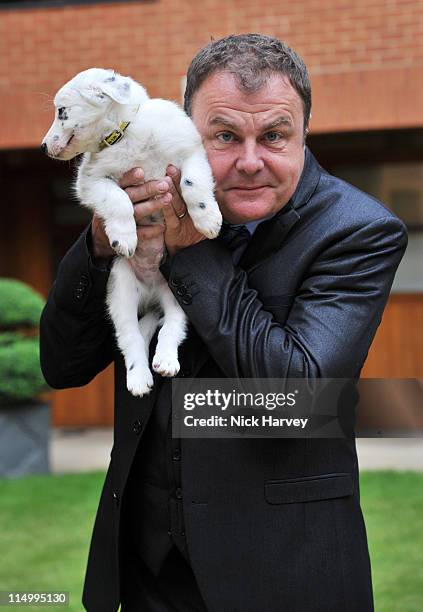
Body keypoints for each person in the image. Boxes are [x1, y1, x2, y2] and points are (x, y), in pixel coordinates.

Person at [40, 34, 407, 611]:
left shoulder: (359, 231)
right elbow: (60, 366)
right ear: (187, 131)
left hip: (284, 572)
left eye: (275, 136)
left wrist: (189, 251)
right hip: (146, 574)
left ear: (305, 132)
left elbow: (298, 399)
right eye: (225, 136)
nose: (250, 161)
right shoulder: (137, 205)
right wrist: (97, 245)